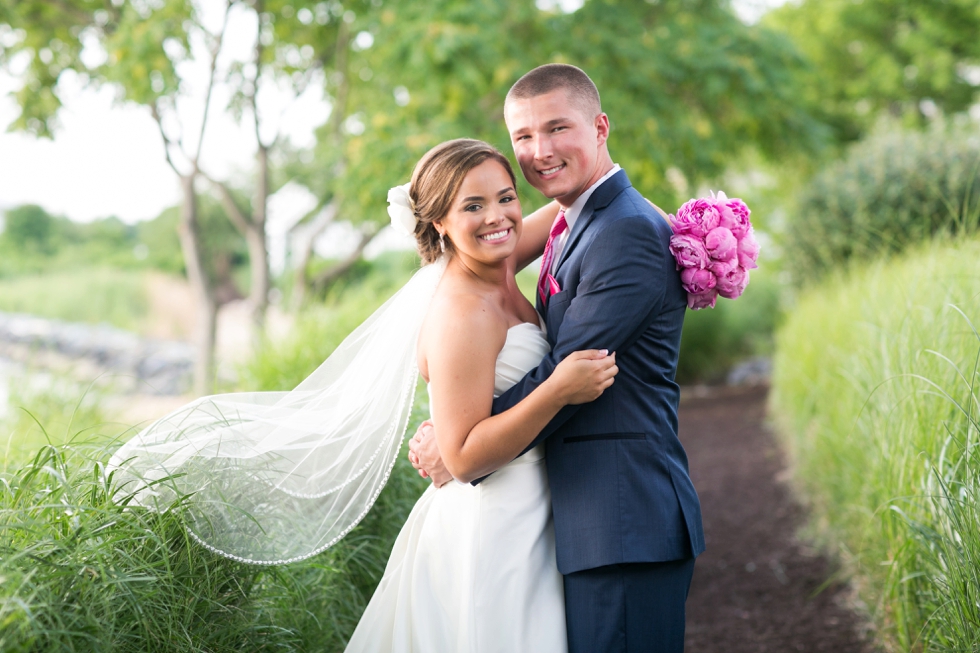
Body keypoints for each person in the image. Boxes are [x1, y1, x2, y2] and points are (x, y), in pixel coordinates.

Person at [409, 63, 705, 653]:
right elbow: (486, 246)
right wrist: (459, 425)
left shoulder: (621, 229)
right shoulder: (573, 218)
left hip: (621, 519)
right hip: (572, 521)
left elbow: (568, 370)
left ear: (600, 126)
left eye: (556, 128)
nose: (539, 150)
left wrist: (460, 441)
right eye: (523, 136)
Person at [344, 137, 619, 652]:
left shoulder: (501, 258)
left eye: (506, 197)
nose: (497, 216)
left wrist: (697, 228)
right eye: (472, 205)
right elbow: (465, 458)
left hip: (535, 508)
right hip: (493, 526)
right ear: (439, 223)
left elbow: (587, 202)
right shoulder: (462, 312)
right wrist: (557, 389)